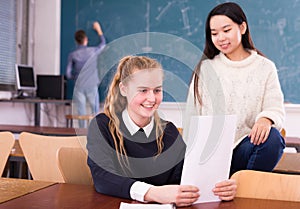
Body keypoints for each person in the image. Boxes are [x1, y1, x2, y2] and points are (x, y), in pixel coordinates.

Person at [87, 55, 236, 207]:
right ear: (124, 89)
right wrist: (153, 193)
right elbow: (102, 177)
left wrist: (219, 188)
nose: (151, 98)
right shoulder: (102, 126)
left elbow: (186, 176)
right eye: (143, 90)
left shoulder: (169, 131)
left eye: (157, 90)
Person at [184, 2, 285, 176]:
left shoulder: (265, 67)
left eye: (226, 30)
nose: (220, 38)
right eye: (214, 33)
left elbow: (274, 107)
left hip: (243, 149)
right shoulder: (206, 69)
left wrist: (265, 120)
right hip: (210, 154)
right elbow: (191, 119)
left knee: (274, 139)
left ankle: (240, 186)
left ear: (243, 27)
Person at [66, 21, 106, 128]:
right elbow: (103, 44)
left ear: (76, 41)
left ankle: (82, 135)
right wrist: (98, 30)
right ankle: (95, 133)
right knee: (95, 112)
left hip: (79, 86)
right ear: (86, 40)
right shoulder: (93, 51)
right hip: (92, 84)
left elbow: (68, 74)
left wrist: (76, 77)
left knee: (81, 113)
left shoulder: (72, 55)